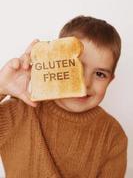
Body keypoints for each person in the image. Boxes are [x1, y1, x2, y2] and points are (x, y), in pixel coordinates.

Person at [0, 15, 128, 178]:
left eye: (100, 74)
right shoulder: (19, 112)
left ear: (110, 80)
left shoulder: (112, 136)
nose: (85, 83)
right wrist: (2, 87)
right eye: (76, 66)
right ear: (55, 63)